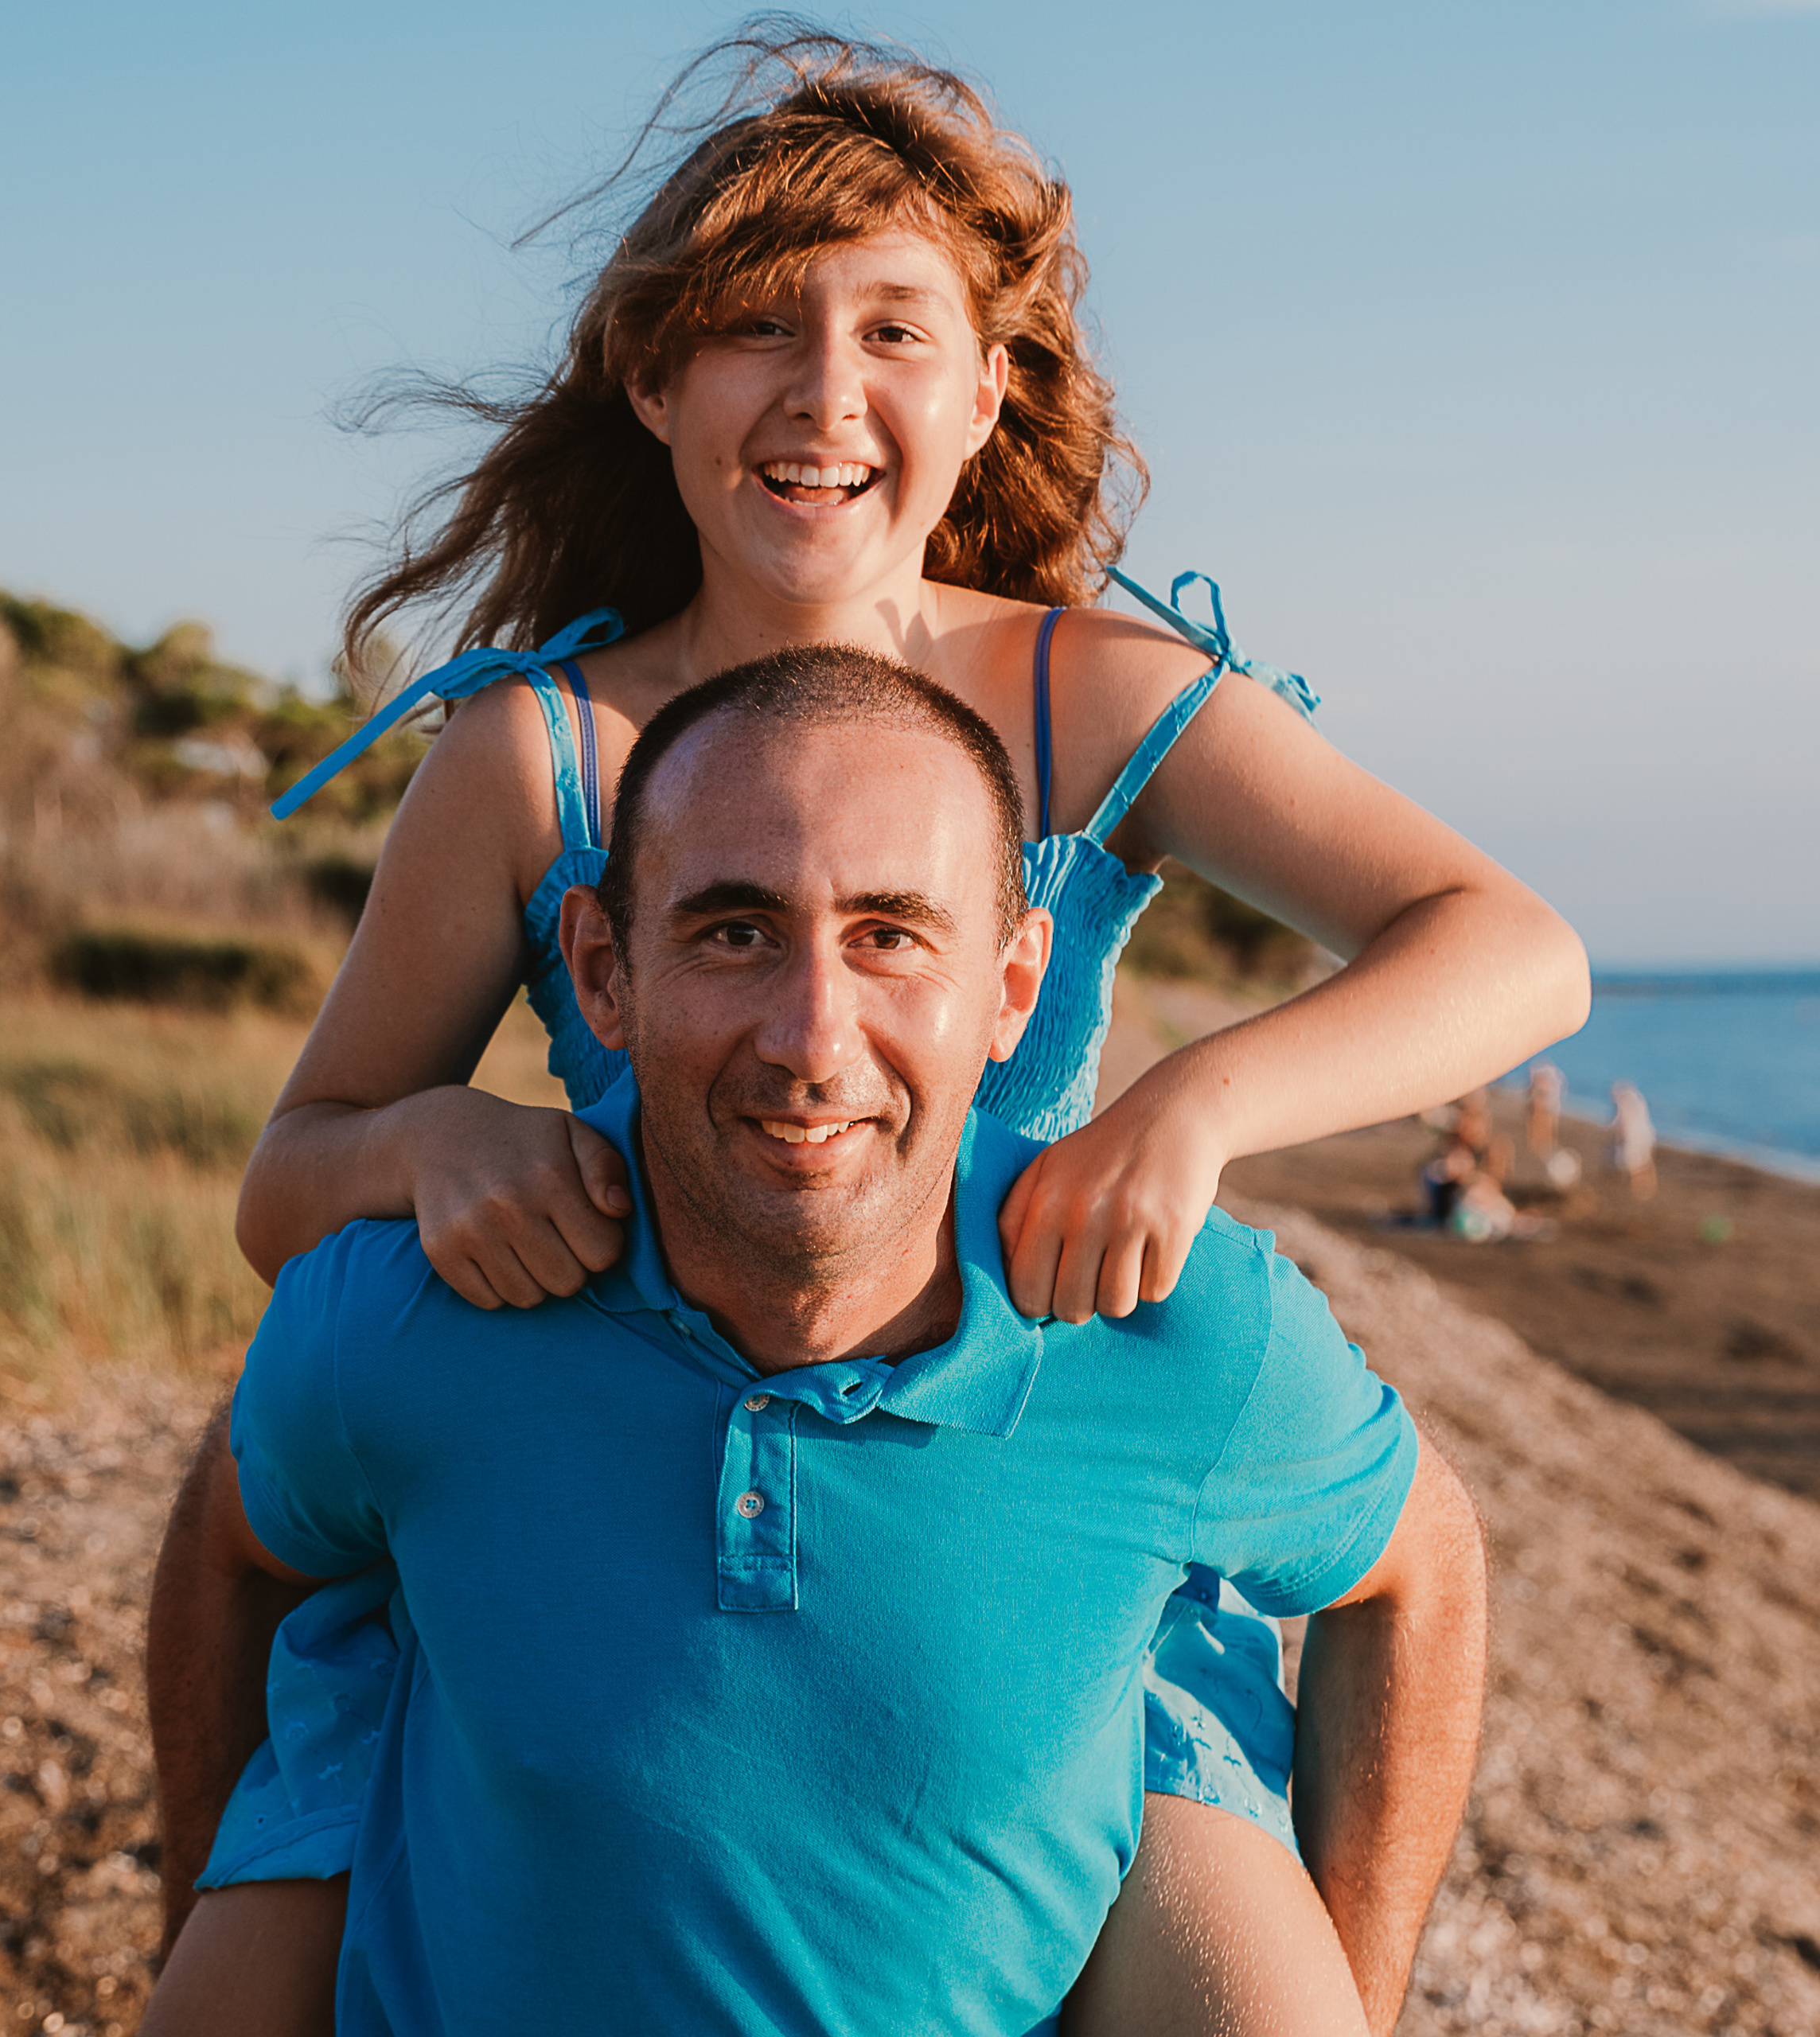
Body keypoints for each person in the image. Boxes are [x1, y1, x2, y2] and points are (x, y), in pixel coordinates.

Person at [152, 29, 1585, 2028]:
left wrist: (1196, 1104)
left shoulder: (1087, 690)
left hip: (1014, 1498)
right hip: (594, 1440)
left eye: (896, 332)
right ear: (651, 383)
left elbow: (1511, 948)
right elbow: (283, 1180)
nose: (825, 396)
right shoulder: (535, 748)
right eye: (753, 331)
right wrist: (420, 1143)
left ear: (984, 391)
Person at [145, 651, 1490, 2035]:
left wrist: (1359, 1997)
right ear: (604, 973)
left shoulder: (1174, 1332)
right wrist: (206, 1906)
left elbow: (1422, 1568)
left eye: (892, 936)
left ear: (1017, 983)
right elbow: (232, 1539)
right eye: (734, 932)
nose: (810, 1037)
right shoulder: (426, 1301)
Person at [1610, 1080, 1657, 1199]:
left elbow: (1624, 1124)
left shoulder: (1624, 1103)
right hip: (1647, 1133)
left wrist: (1618, 1139)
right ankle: (1650, 1184)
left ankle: (1637, 1187)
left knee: (1633, 1163)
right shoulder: (1639, 1100)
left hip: (1634, 1136)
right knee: (1646, 1160)